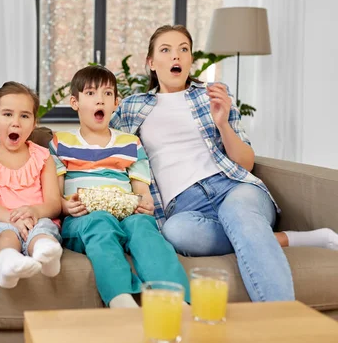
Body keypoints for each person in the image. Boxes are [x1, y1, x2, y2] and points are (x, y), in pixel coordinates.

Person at [110, 24, 297, 302]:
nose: (176, 56)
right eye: (166, 50)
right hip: (182, 206)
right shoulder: (132, 107)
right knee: (176, 232)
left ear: (190, 60)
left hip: (233, 187)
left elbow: (245, 163)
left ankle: (281, 321)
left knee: (240, 215)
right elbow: (105, 148)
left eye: (183, 50)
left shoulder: (212, 95)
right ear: (151, 62)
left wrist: (222, 124)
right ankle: (265, 236)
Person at [50, 65, 190, 308]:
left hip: (126, 214)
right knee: (100, 223)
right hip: (84, 218)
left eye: (106, 94)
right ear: (75, 102)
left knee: (144, 228)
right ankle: (120, 298)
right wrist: (64, 206)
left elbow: (141, 190)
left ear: (116, 103)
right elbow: (55, 193)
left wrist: (144, 203)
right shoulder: (61, 143)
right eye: (91, 94)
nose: (99, 100)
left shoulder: (130, 143)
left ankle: (176, 299)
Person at [0, 82, 63, 289]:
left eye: (24, 116)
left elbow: (53, 203)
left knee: (43, 231)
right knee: (5, 236)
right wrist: (13, 220)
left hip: (37, 219)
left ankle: (46, 254)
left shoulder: (43, 156)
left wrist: (32, 211)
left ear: (34, 123)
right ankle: (8, 263)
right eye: (7, 114)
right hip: (2, 220)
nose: (16, 123)